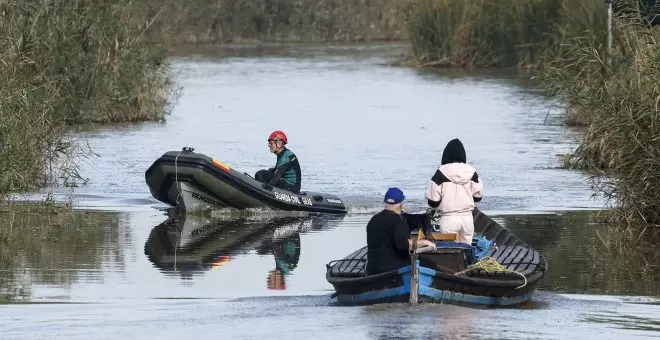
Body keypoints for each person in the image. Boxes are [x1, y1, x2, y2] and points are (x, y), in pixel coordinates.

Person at [366, 187, 436, 276]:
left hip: (372, 269)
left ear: (385, 202)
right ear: (401, 204)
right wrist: (426, 242)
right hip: (394, 269)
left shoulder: (373, 220)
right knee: (430, 263)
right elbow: (404, 246)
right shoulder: (398, 220)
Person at [425, 138, 483, 245]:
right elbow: (478, 196)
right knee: (466, 251)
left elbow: (433, 200)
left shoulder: (440, 173)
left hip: (449, 219)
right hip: (467, 219)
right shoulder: (472, 172)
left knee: (450, 252)